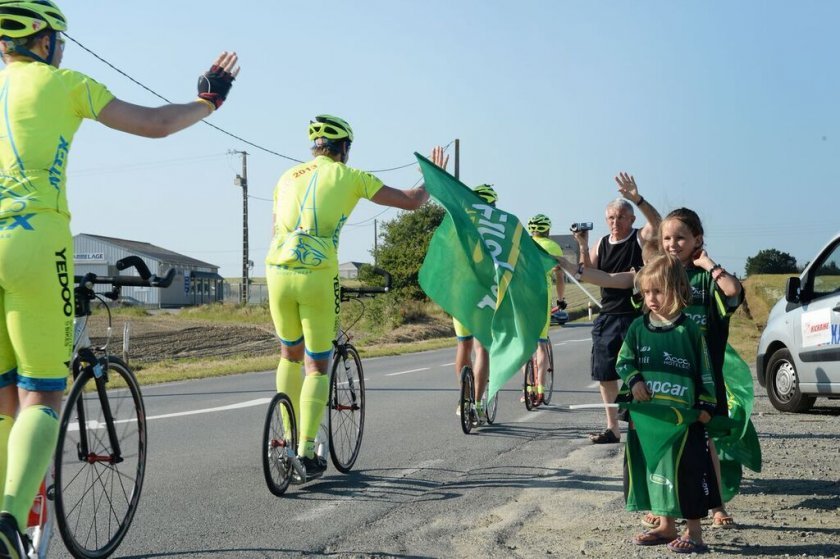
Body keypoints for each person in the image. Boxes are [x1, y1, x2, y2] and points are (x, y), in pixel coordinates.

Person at [0, 2, 239, 557]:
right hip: (36, 238)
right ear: (46, 40)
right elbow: (155, 125)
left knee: (3, 398)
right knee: (40, 394)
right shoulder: (64, 83)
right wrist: (209, 100)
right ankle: (8, 524)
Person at [266, 114, 448, 482]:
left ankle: (283, 437)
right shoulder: (351, 176)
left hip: (276, 272)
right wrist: (432, 178)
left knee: (290, 353)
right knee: (317, 364)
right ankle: (305, 450)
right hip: (317, 276)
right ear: (344, 148)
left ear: (315, 146)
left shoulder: (285, 178)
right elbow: (412, 201)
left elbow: (276, 228)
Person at [616, 254, 719, 554]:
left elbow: (705, 370)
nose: (651, 298)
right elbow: (624, 361)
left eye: (658, 291)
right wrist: (634, 381)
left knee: (687, 470)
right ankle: (665, 524)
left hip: (682, 420)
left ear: (677, 289)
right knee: (656, 469)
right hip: (650, 419)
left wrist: (705, 405)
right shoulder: (637, 328)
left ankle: (695, 532)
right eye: (646, 292)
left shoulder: (688, 330)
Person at [653, 207, 744, 530]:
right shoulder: (660, 275)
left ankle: (716, 504)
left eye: (680, 237)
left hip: (702, 380)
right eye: (666, 238)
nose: (672, 244)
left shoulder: (706, 277)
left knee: (705, 444)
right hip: (668, 379)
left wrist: (708, 264)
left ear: (697, 240)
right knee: (669, 443)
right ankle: (667, 506)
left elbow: (733, 292)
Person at [584, 172, 661, 444]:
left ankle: (640, 425)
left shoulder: (640, 238)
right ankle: (612, 428)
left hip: (634, 315)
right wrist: (582, 245)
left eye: (621, 217)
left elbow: (658, 225)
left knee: (637, 372)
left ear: (631, 219)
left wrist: (636, 199)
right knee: (605, 373)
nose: (615, 222)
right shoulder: (601, 244)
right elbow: (590, 272)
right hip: (607, 316)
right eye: (611, 218)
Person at [453, 184, 497, 420]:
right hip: (485, 293)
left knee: (464, 345)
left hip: (460, 293)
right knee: (482, 349)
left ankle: (464, 400)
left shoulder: (460, 226)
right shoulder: (498, 230)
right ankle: (478, 404)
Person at [525, 213, 565, 406]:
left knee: (526, 345)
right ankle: (540, 389)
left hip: (522, 298)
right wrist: (561, 299)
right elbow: (560, 278)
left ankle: (527, 388)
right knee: (541, 344)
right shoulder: (553, 247)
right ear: (547, 230)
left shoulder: (522, 245)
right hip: (542, 299)